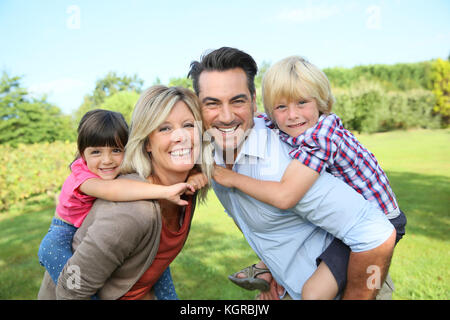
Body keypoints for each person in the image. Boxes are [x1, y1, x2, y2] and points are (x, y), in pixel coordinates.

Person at [188, 47, 396, 300]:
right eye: (212, 103)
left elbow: (376, 234)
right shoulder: (211, 151)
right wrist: (275, 267)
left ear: (253, 102)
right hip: (290, 283)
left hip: (351, 281)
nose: (226, 116)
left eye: (237, 100)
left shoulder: (286, 162)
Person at [37, 85, 213, 299]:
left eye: (188, 125)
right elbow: (71, 290)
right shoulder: (129, 213)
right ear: (147, 143)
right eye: (164, 128)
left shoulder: (185, 190)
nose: (181, 136)